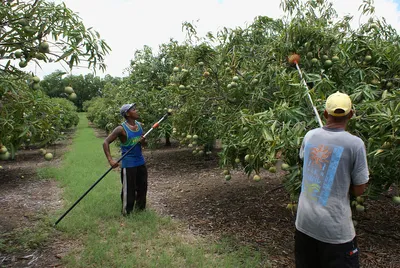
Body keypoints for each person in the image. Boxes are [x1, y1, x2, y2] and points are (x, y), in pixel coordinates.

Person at [295, 91, 369, 268]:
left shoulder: (310, 136)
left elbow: (308, 161)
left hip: (305, 223)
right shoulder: (354, 144)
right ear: (351, 114)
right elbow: (360, 189)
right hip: (334, 231)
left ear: (325, 114)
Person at [103, 103, 148, 216]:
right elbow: (105, 142)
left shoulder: (139, 125)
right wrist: (110, 160)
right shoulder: (121, 129)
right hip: (129, 163)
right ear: (127, 113)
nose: (136, 111)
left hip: (140, 161)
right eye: (134, 109)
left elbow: (144, 144)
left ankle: (141, 209)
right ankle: (127, 212)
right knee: (129, 189)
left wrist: (143, 141)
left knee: (142, 186)